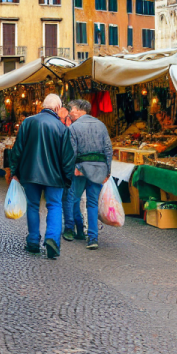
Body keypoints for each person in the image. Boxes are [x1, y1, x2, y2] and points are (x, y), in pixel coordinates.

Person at [9, 94, 74, 259]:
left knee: (33, 206)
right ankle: (52, 239)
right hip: (55, 176)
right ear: (58, 108)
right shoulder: (62, 128)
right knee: (54, 206)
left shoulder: (28, 122)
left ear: (42, 106)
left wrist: (14, 171)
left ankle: (32, 241)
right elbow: (68, 158)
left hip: (30, 174)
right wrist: (67, 179)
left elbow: (17, 149)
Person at [62, 99, 113, 249]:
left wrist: (73, 168)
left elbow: (71, 152)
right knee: (92, 203)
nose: (70, 112)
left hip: (80, 170)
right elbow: (108, 150)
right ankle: (92, 238)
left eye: (71, 109)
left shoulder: (74, 128)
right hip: (98, 170)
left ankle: (76, 228)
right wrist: (107, 171)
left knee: (74, 199)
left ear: (79, 110)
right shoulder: (101, 125)